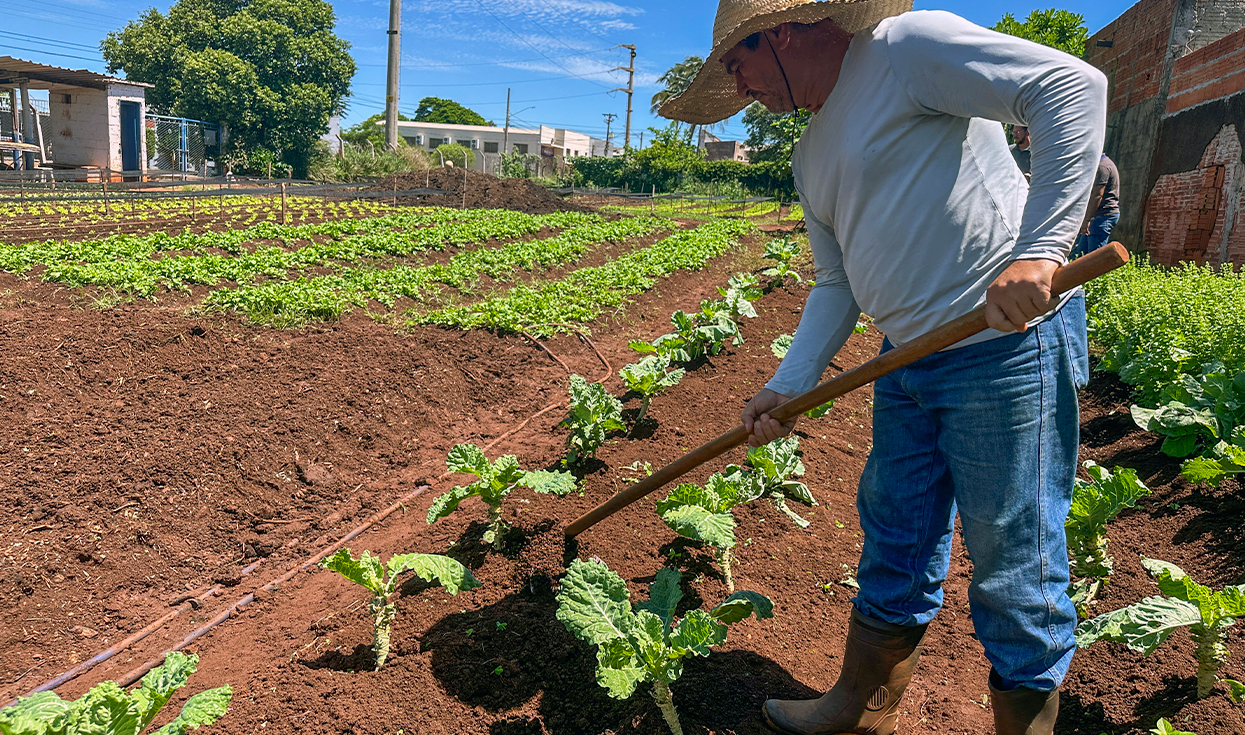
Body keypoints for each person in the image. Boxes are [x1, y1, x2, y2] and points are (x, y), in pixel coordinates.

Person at [658, 1, 1106, 734]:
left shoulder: (903, 48)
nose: (737, 88)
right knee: (894, 532)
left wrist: (1042, 248)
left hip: (1001, 347)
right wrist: (788, 385)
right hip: (903, 358)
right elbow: (836, 281)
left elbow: (1071, 87)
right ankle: (860, 708)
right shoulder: (810, 153)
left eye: (736, 64)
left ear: (779, 34)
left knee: (1012, 556)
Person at [1071, 154, 1120, 258]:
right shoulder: (1103, 164)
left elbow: (1097, 196)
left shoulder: (1102, 167)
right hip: (1098, 216)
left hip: (1103, 215)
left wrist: (1086, 220)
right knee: (1080, 256)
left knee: (1095, 258)